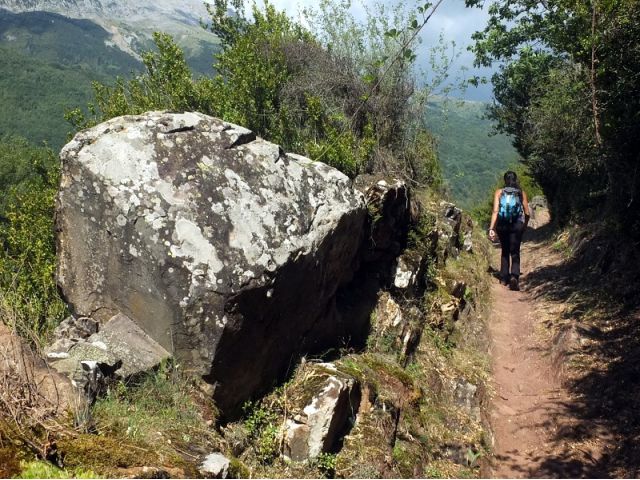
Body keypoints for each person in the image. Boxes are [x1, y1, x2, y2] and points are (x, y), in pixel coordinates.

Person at [488, 171, 530, 291]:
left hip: (502, 225)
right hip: (516, 225)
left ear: (504, 180)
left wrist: (492, 228)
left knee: (505, 250)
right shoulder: (521, 193)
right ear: (515, 180)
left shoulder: (499, 192)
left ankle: (503, 278)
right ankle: (515, 276)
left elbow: (495, 211)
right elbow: (527, 212)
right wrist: (524, 225)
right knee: (515, 251)